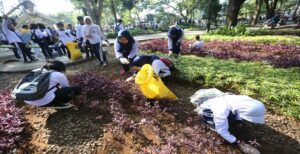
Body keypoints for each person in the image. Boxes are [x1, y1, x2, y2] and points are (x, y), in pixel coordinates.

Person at [195, 92, 265, 153]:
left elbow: (238, 110)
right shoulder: (220, 110)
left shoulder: (246, 101)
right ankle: (209, 122)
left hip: (224, 105)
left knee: (231, 117)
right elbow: (221, 130)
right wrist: (238, 143)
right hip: (208, 110)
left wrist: (238, 121)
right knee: (218, 123)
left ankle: (230, 120)